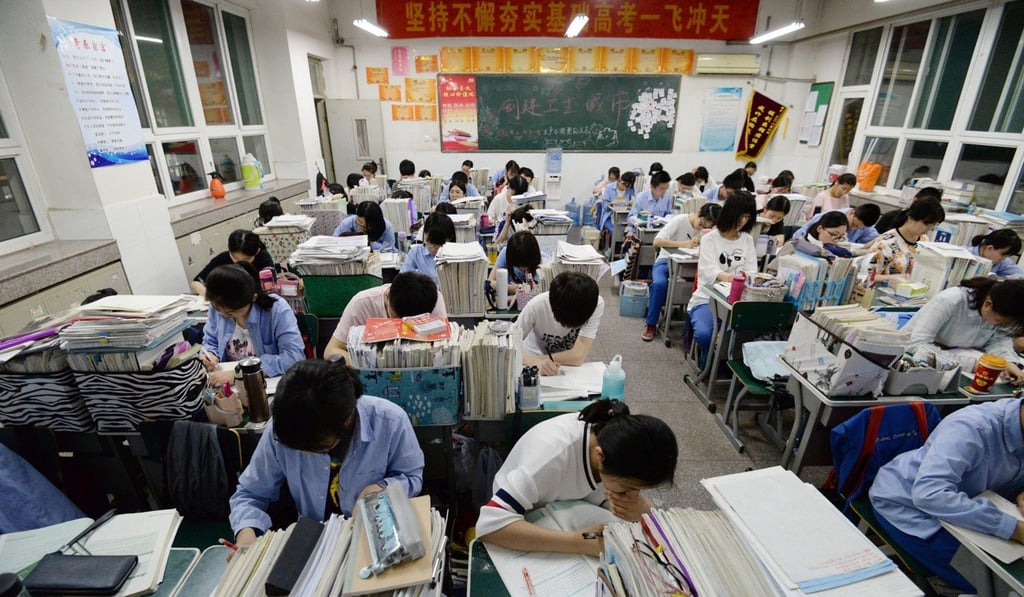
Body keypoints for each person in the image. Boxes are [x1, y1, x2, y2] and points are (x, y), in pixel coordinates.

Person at [228, 359, 424, 551]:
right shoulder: (283, 432)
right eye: (295, 447)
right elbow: (250, 493)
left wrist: (381, 488)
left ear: (347, 422)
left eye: (316, 447)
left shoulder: (390, 421)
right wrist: (246, 532)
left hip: (372, 538)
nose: (301, 452)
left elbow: (411, 476)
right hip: (315, 544)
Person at [476, 400, 678, 557]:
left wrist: (644, 510)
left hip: (565, 504)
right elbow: (489, 526)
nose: (632, 495)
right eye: (627, 487)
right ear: (600, 457)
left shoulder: (613, 445)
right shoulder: (550, 458)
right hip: (524, 514)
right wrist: (577, 542)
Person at [869, 398, 1024, 592]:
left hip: (969, 502)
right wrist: (1015, 529)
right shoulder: (971, 427)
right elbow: (930, 494)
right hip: (909, 506)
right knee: (999, 586)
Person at [902, 277, 1024, 383]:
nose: (1000, 325)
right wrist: (973, 365)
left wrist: (1007, 362)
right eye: (999, 322)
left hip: (960, 359)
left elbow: (998, 340)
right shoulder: (950, 300)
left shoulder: (1002, 309)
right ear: (988, 304)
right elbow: (917, 345)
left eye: (1005, 324)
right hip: (916, 362)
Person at [201, 262, 304, 384]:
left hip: (267, 383)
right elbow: (210, 341)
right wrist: (210, 355)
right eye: (218, 309)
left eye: (231, 312)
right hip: (226, 383)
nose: (223, 315)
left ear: (253, 298)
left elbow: (294, 357)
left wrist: (242, 373)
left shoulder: (276, 310)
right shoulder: (218, 307)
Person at [687, 192, 759, 358]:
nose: (743, 221)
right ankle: (706, 362)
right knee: (705, 335)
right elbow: (707, 270)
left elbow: (752, 270)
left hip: (736, 302)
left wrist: (742, 278)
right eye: (740, 216)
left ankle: (717, 364)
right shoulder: (710, 238)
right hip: (707, 300)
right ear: (729, 214)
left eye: (747, 217)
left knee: (734, 337)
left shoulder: (747, 239)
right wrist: (730, 278)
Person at [641, 203, 721, 341]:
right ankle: (651, 325)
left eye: (706, 228)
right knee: (659, 284)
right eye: (701, 224)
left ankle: (691, 329)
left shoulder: (710, 231)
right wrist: (683, 244)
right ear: (699, 212)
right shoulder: (680, 220)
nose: (701, 229)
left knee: (703, 285)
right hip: (666, 261)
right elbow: (657, 242)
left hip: (691, 264)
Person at [324, 272, 447, 361]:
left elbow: (444, 348)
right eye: (396, 317)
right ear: (387, 296)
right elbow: (331, 350)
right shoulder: (361, 303)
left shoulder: (433, 300)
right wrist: (364, 363)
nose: (401, 327)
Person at [517, 271, 604, 376]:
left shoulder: (594, 303)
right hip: (533, 365)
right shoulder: (537, 305)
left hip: (569, 368)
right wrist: (533, 361)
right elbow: (508, 345)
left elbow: (578, 356)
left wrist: (539, 360)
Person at [866, 197, 945, 286]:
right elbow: (866, 276)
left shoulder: (924, 240)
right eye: (926, 224)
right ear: (911, 218)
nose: (928, 230)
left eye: (933, 225)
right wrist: (898, 277)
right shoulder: (884, 244)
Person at [191, 229, 275, 297]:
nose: (240, 262)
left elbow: (270, 286)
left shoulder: (263, 258)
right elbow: (196, 283)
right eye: (235, 258)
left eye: (247, 259)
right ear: (230, 251)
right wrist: (211, 297)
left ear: (257, 251)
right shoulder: (223, 258)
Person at [768, 211, 852, 272]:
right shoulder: (795, 245)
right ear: (820, 229)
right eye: (833, 234)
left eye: (840, 237)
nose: (835, 241)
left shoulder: (829, 253)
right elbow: (771, 271)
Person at [400, 212, 455, 283]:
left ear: (449, 239)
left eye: (438, 245)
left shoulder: (455, 256)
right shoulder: (416, 252)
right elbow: (403, 278)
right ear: (425, 234)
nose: (433, 248)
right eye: (430, 243)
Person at [489, 230, 543, 301]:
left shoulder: (538, 261)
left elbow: (537, 291)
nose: (523, 268)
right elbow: (490, 282)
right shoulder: (506, 253)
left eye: (525, 265)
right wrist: (518, 289)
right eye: (519, 265)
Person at [793, 203, 882, 246]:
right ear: (852, 213)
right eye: (854, 224)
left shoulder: (865, 226)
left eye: (858, 228)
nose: (854, 228)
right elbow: (798, 236)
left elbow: (876, 242)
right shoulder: (829, 216)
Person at [875, 187, 943, 234]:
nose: (928, 229)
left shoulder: (922, 234)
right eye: (925, 223)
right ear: (915, 200)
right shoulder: (889, 217)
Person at [598, 170, 637, 240]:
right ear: (619, 180)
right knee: (616, 231)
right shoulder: (609, 188)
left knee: (632, 231)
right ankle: (613, 248)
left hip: (625, 216)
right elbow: (604, 205)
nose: (625, 187)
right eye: (624, 184)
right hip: (610, 216)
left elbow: (635, 201)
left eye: (628, 186)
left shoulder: (630, 189)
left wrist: (631, 203)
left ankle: (626, 248)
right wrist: (611, 204)